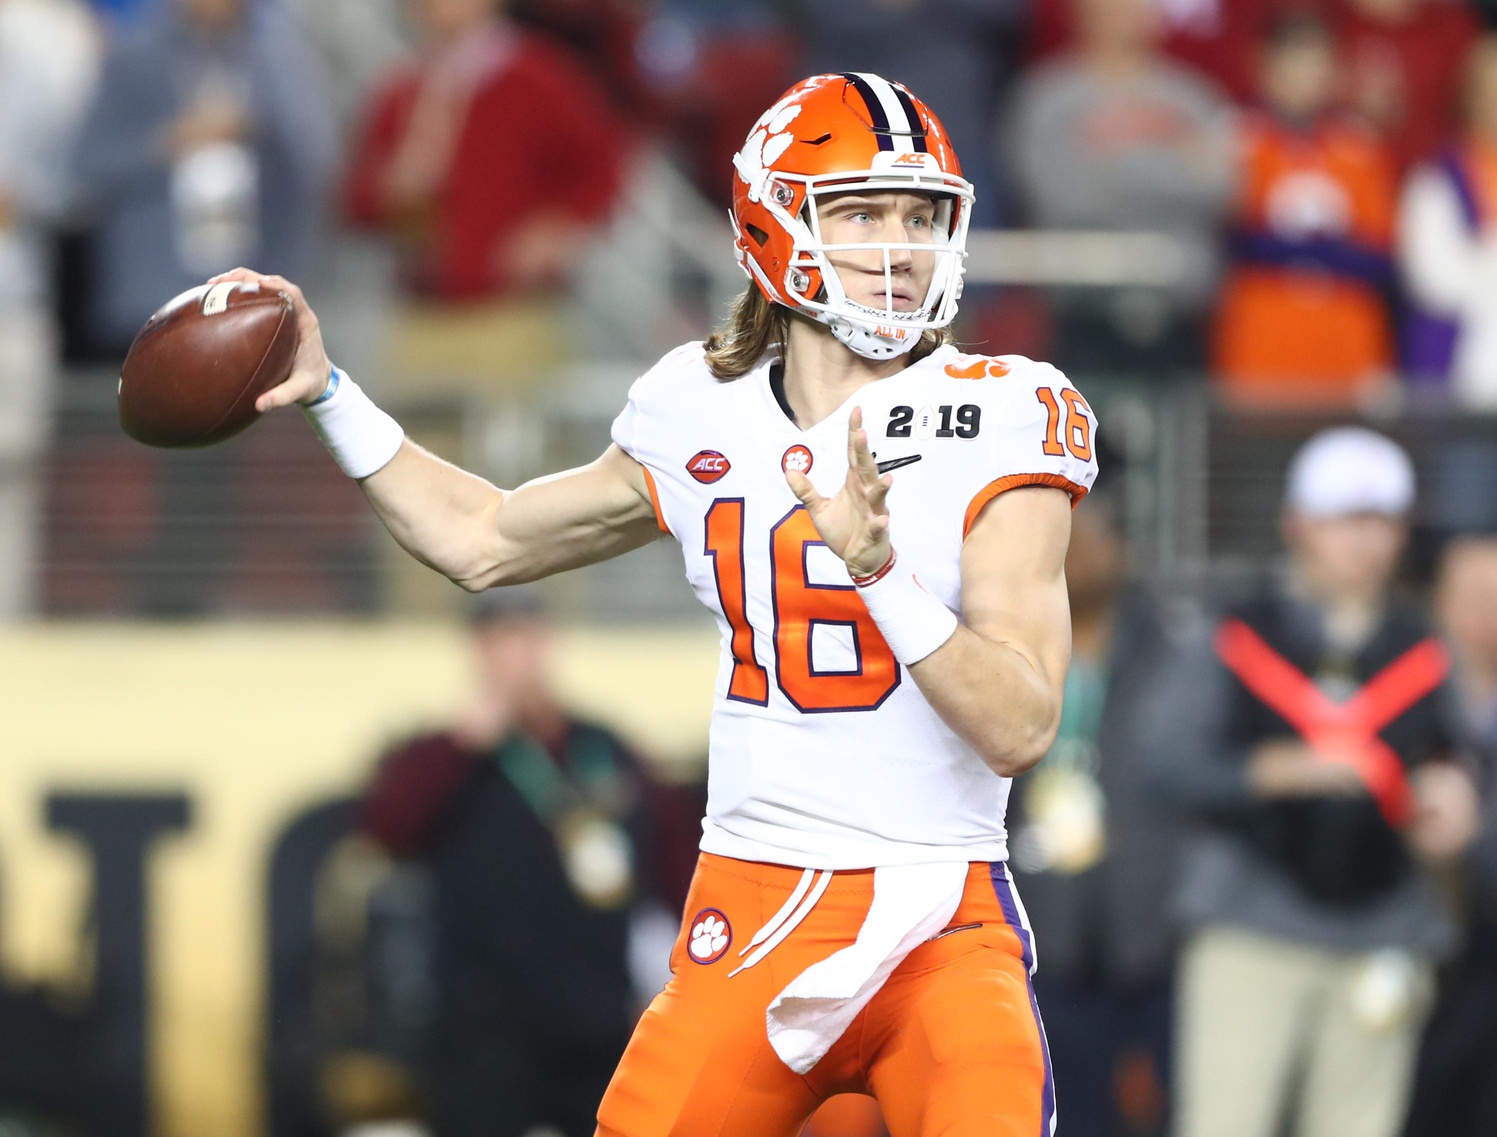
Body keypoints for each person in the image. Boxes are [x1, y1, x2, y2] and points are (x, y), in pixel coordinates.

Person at [213, 70, 1098, 1135]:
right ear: (776, 223)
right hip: (756, 905)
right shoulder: (695, 408)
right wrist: (327, 393)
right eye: (861, 211)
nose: (899, 246)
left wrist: (878, 573)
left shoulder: (1003, 412)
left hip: (942, 916)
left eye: (920, 215)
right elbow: (483, 539)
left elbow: (1020, 725)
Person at [1149, 427, 1480, 1137]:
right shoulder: (1236, 628)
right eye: (1346, 520)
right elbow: (1164, 758)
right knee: (1225, 1122)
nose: (1367, 542)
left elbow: (1455, 755)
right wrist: (1272, 769)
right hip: (1251, 926)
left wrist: (1453, 795)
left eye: (1384, 521)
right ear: (1294, 523)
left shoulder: (1420, 645)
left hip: (1382, 926)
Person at [354, 586, 690, 1137]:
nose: (515, 655)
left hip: (599, 1018)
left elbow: (671, 863)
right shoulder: (448, 755)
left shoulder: (601, 748)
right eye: (499, 639)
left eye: (526, 636)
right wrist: (464, 742)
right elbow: (386, 828)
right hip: (484, 1027)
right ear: (477, 651)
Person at [1008, 491, 1183, 1137]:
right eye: (1061, 539)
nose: (1075, 554)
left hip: (1149, 942)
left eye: (1090, 537)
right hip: (1037, 938)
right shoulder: (1000, 645)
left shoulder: (1171, 649)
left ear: (1124, 549)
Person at [71, 0, 337, 356]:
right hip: (155, 293)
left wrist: (253, 129)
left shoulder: (278, 56)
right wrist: (167, 145)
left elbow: (315, 159)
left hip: (254, 289)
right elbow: (86, 163)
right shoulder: (135, 55)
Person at [343, 0, 629, 303]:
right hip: (422, 302)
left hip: (511, 303)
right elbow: (358, 200)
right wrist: (388, 189)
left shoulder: (538, 78)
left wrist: (561, 227)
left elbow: (603, 166)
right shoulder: (403, 90)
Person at [1008, 0, 1235, 378]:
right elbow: (1061, 200)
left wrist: (1110, 165)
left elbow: (1220, 189)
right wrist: (1171, 166)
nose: (1125, 12)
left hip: (1181, 317)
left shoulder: (1193, 98)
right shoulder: (1046, 99)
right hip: (1081, 316)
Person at [1212, 10, 1399, 405]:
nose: (1304, 79)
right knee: (1250, 465)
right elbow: (1231, 238)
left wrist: (1286, 248)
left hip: (1345, 353)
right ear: (1264, 67)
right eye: (1291, 63)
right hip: (1260, 350)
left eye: (1316, 64)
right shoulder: (1236, 141)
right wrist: (1322, 249)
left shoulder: (1360, 149)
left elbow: (1380, 256)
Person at [0, 0, 97, 618]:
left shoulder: (47, 48)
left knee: (13, 480)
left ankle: (10, 626)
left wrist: (25, 197)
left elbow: (77, 187)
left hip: (14, 307)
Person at [1398, 33, 1497, 403]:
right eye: (1489, 89)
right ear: (1469, 96)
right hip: (1462, 387)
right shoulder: (1433, 179)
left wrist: (1479, 255)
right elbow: (1434, 282)